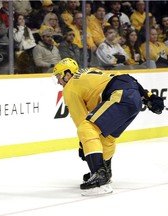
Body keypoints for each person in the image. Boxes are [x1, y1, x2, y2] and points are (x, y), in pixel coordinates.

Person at [52, 58, 164, 196]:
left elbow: (82, 123)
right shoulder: (90, 71)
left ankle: (100, 175)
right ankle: (105, 170)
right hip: (133, 98)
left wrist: (84, 145)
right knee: (107, 138)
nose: (58, 82)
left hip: (119, 97)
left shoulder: (70, 88)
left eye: (58, 77)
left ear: (67, 74)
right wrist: (149, 96)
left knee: (86, 128)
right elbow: (125, 78)